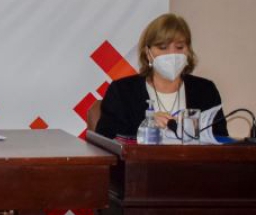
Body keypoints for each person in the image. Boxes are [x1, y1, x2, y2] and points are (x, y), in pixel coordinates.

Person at [96, 13, 227, 139]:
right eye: (163, 47)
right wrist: (145, 127)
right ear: (148, 53)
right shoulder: (122, 91)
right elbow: (105, 139)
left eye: (179, 47)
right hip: (141, 156)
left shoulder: (206, 90)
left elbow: (222, 139)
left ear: (188, 51)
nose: (172, 54)